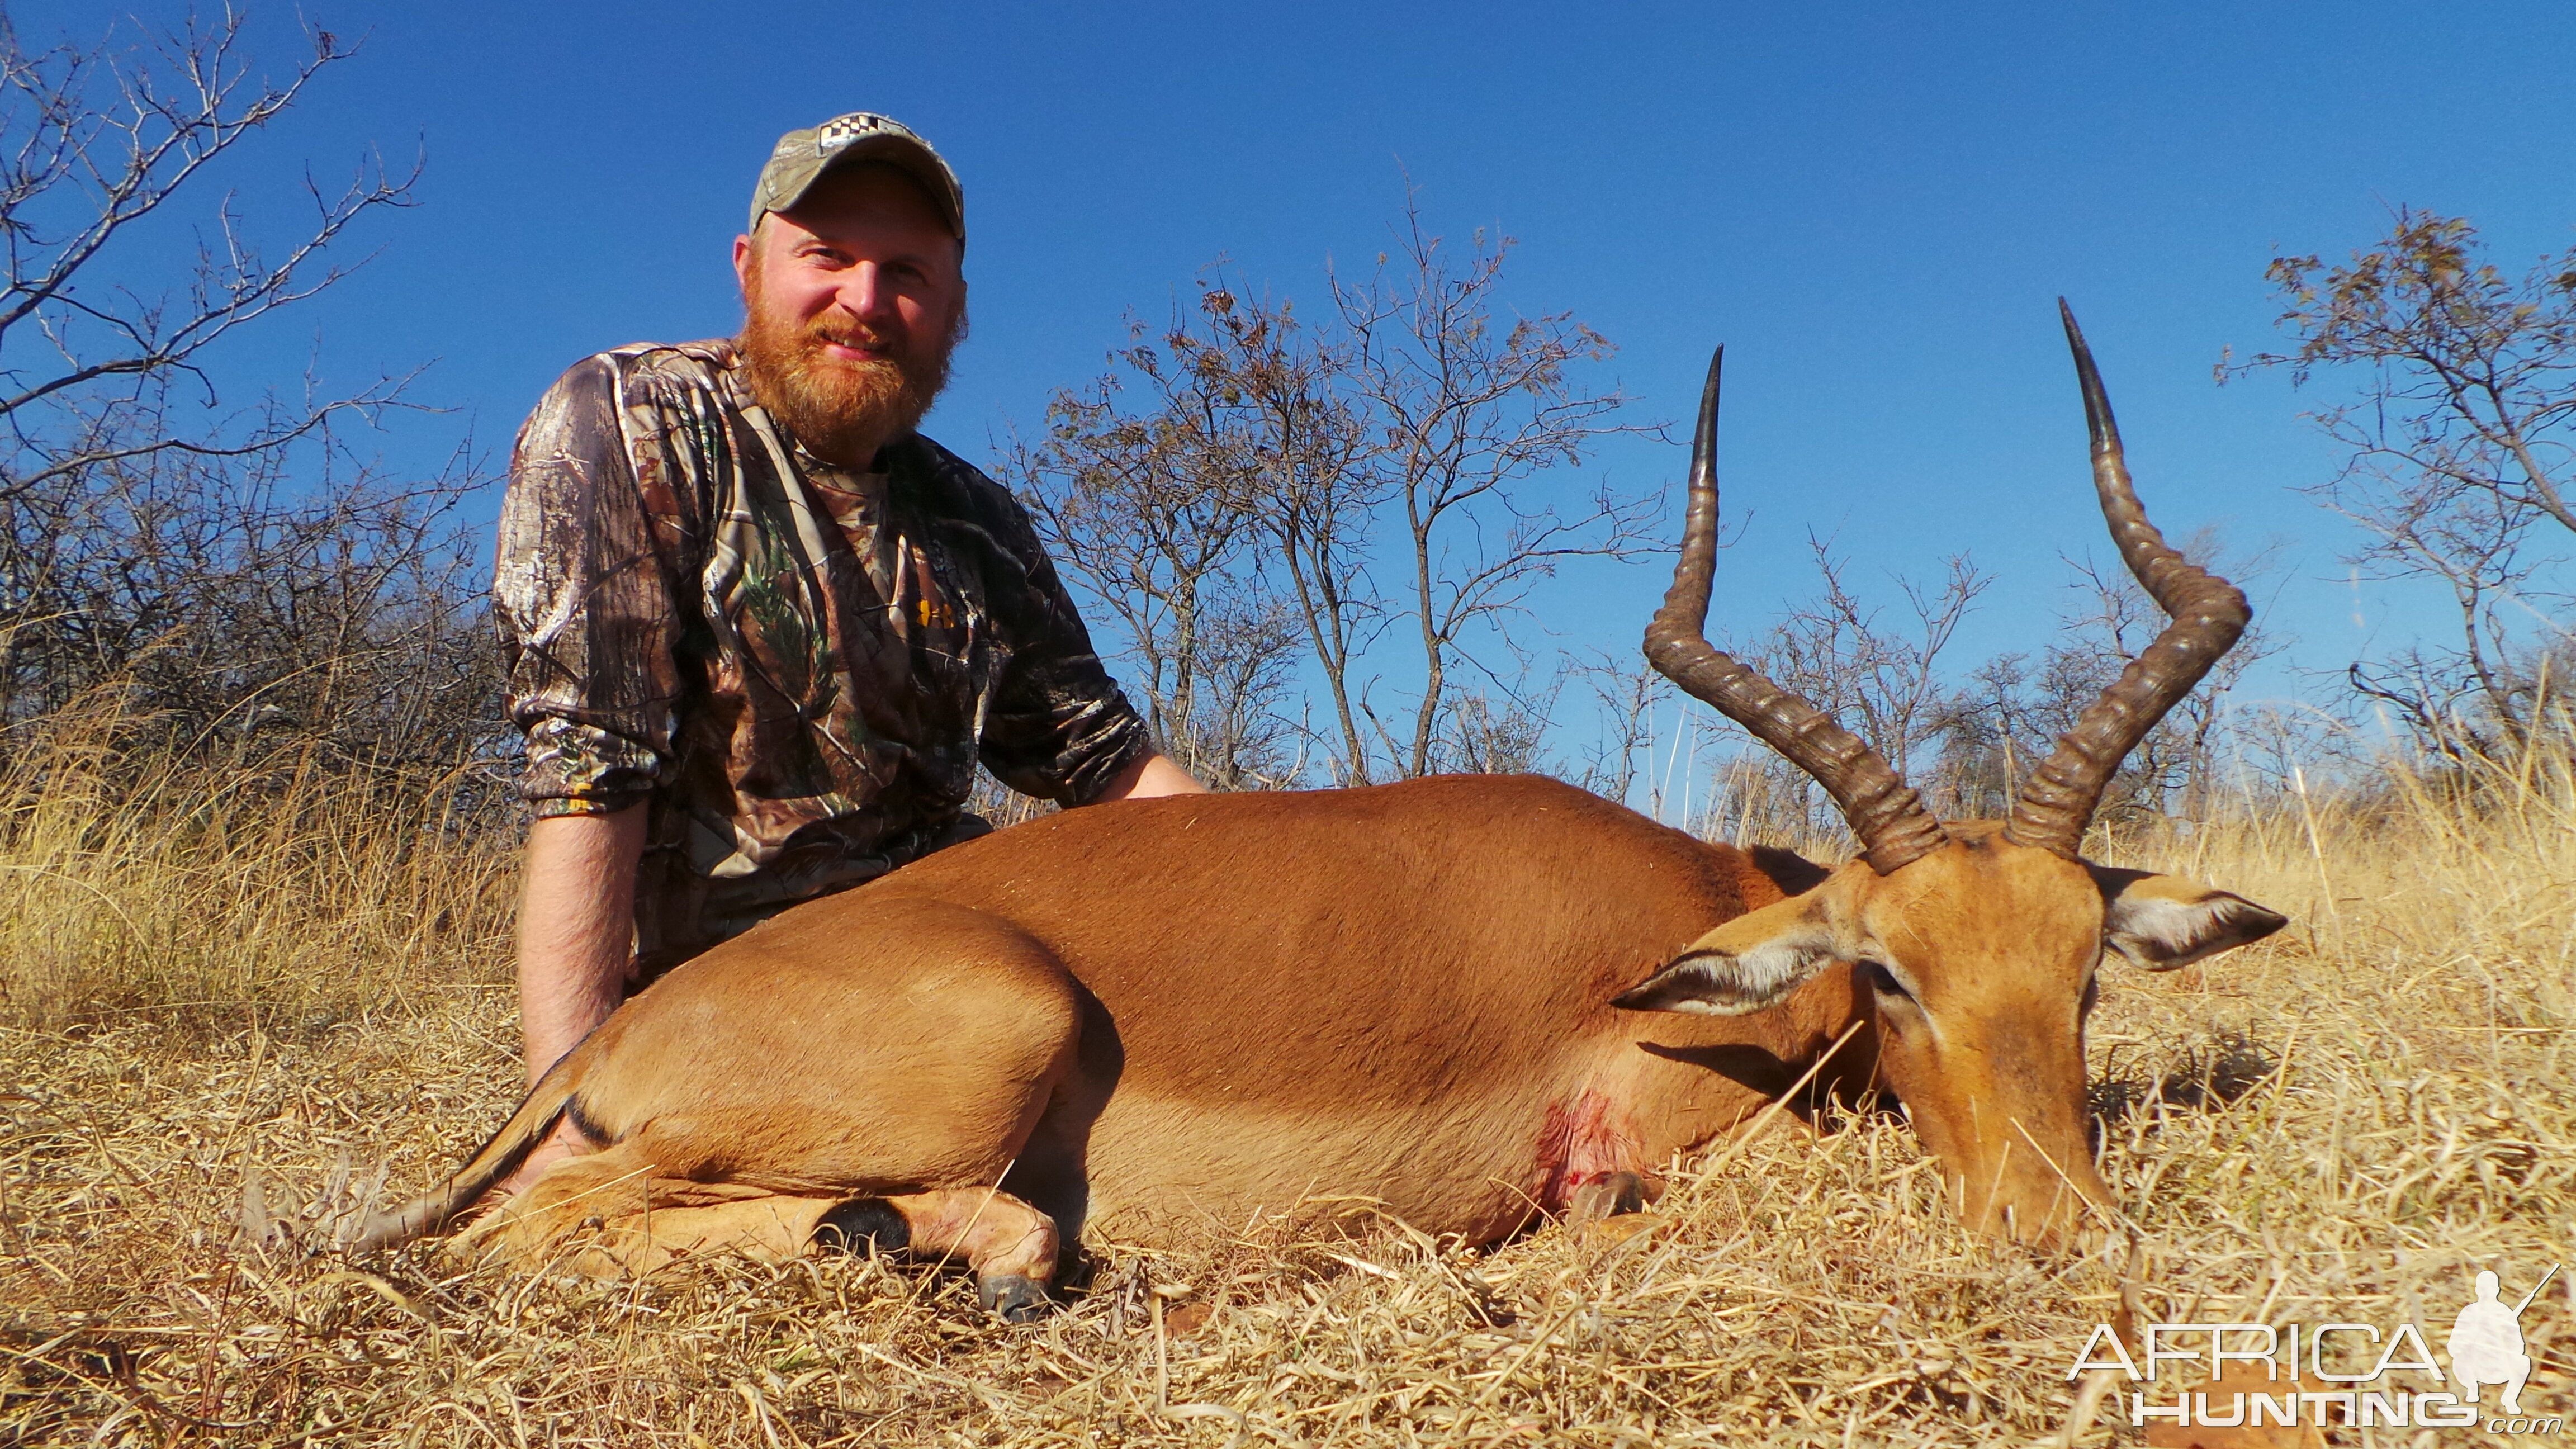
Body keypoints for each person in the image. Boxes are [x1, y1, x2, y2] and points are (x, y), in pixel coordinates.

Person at [491, 112, 1202, 1191]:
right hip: (743, 1004)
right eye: (827, 257)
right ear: (749, 267)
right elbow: (589, 770)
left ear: (955, 308)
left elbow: (1104, 761)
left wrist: (1287, 892)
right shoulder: (635, 420)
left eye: (908, 273)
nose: (865, 302)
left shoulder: (975, 517)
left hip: (946, 980)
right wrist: (570, 1109)